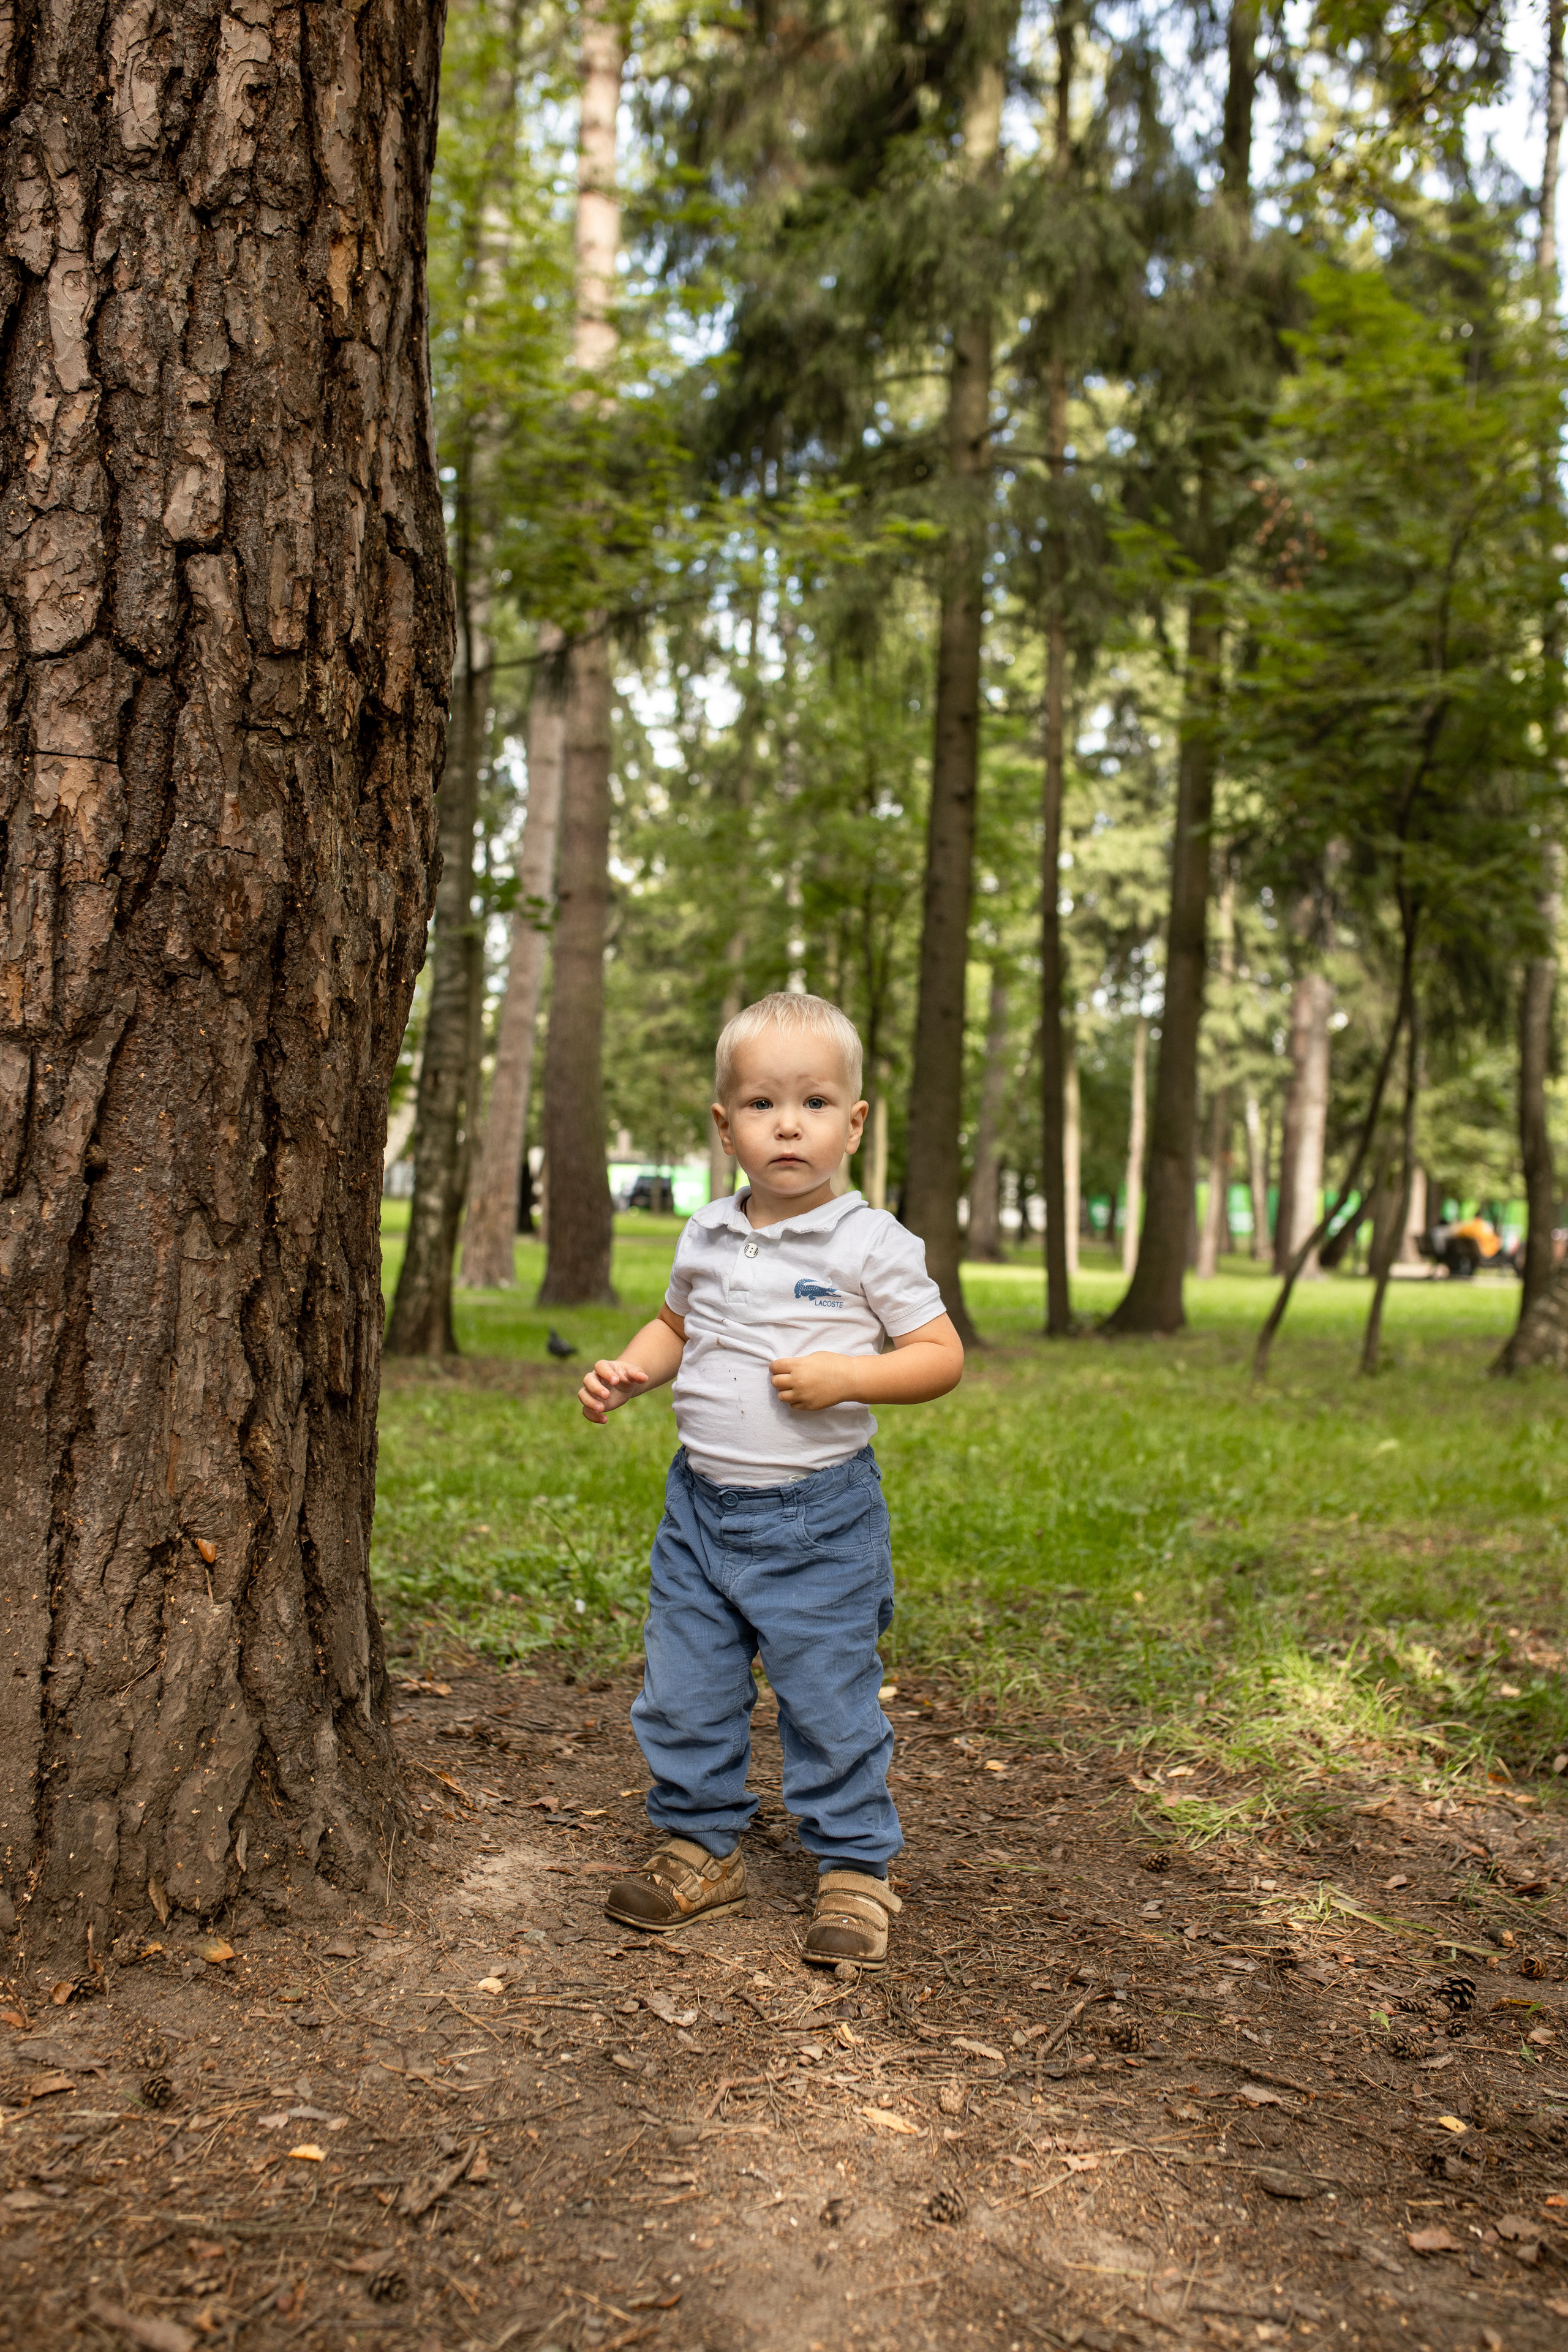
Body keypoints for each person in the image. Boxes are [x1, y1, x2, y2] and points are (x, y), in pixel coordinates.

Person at [577, 992, 964, 1969]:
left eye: (816, 1103)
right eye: (760, 1105)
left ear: (855, 1121)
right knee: (685, 1688)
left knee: (828, 1697)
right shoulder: (707, 1232)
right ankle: (703, 1846)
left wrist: (851, 1376)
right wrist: (631, 1369)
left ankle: (855, 1868)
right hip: (699, 1510)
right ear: (724, 1126)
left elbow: (938, 1354)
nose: (788, 1125)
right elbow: (676, 1326)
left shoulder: (871, 1242)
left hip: (818, 1519)